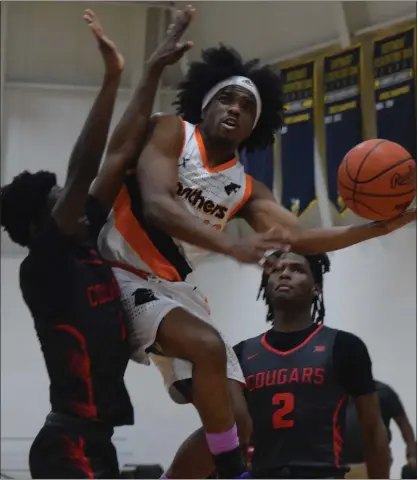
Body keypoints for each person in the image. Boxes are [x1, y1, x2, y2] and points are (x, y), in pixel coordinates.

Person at [98, 39, 415, 479]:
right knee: (208, 349)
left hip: (175, 289)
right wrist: (230, 246)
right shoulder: (172, 131)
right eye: (226, 98)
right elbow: (156, 206)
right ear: (205, 104)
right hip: (123, 270)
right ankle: (232, 474)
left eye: (247, 106)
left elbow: (301, 239)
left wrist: (377, 228)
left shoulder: (248, 190)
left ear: (255, 125)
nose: (235, 109)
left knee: (239, 422)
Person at [0, 9, 193, 479]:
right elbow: (85, 166)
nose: (74, 202)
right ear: (39, 226)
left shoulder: (86, 243)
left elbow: (120, 150)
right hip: (66, 442)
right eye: (59, 200)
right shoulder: (43, 268)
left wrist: (149, 72)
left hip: (97, 440)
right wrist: (110, 78)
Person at [232, 250, 391, 479]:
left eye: (296, 269)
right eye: (276, 270)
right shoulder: (241, 354)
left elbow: (373, 429)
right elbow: (228, 430)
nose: (284, 274)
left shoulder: (344, 346)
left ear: (315, 287)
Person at [345, 380, 417, 479]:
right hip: (340, 465)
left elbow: (403, 424)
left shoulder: (383, 392)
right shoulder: (335, 392)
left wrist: (412, 456)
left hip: (375, 464)